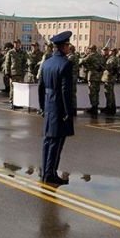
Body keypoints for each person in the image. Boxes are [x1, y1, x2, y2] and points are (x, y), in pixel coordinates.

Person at [38, 30, 75, 186]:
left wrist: (42, 107)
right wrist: (69, 111)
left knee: (48, 140)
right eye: (68, 45)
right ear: (63, 47)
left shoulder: (46, 62)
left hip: (48, 104)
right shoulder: (65, 64)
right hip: (59, 106)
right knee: (56, 142)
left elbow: (40, 87)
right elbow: (66, 91)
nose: (69, 48)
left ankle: (45, 171)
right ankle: (50, 173)